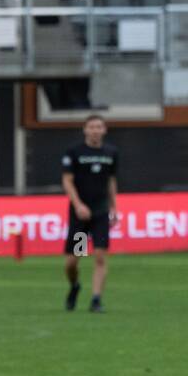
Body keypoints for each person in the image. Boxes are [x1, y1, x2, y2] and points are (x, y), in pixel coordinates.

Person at [61, 114, 119, 313]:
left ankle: (96, 299)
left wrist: (114, 207)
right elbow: (67, 180)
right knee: (73, 260)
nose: (95, 130)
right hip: (81, 216)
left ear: (104, 130)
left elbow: (111, 181)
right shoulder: (75, 152)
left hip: (101, 213)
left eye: (99, 127)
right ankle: (75, 285)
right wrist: (78, 205)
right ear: (85, 130)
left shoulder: (111, 152)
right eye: (92, 127)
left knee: (101, 256)